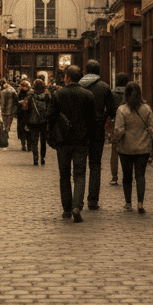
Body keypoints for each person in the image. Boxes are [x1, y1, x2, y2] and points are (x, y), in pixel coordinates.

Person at [50, 65, 95, 222]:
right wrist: (90, 139)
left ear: (67, 78)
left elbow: (51, 117)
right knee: (80, 174)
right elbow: (92, 121)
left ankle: (67, 209)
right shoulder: (88, 95)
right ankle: (77, 205)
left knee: (64, 175)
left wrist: (52, 139)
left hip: (63, 141)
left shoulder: (58, 94)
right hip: (81, 141)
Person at [111, 81, 153, 213]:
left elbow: (119, 130)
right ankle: (140, 202)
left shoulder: (122, 110)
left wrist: (114, 139)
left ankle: (128, 203)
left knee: (127, 176)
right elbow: (152, 128)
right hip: (143, 148)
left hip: (126, 148)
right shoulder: (147, 109)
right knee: (140, 175)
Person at [78, 59, 117, 210]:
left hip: (80, 130)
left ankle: (78, 200)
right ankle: (93, 200)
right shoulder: (104, 87)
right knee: (95, 165)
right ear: (99, 71)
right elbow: (112, 110)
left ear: (85, 70)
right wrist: (101, 116)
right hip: (97, 130)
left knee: (80, 165)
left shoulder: (78, 86)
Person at [25, 77, 52, 166]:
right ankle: (42, 158)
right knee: (43, 141)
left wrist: (26, 122)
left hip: (33, 122)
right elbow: (50, 109)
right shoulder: (47, 96)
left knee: (34, 141)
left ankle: (35, 158)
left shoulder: (30, 96)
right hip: (44, 121)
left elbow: (27, 110)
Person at [107, 73, 128, 186]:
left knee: (114, 151)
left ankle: (114, 176)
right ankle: (128, 174)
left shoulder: (112, 93)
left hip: (116, 123)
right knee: (129, 149)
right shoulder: (130, 93)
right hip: (129, 123)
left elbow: (109, 109)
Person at [14, 79, 32, 150]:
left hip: (21, 114)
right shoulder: (30, 93)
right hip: (28, 114)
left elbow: (16, 103)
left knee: (22, 130)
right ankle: (28, 146)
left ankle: (23, 145)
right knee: (28, 130)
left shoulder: (20, 93)